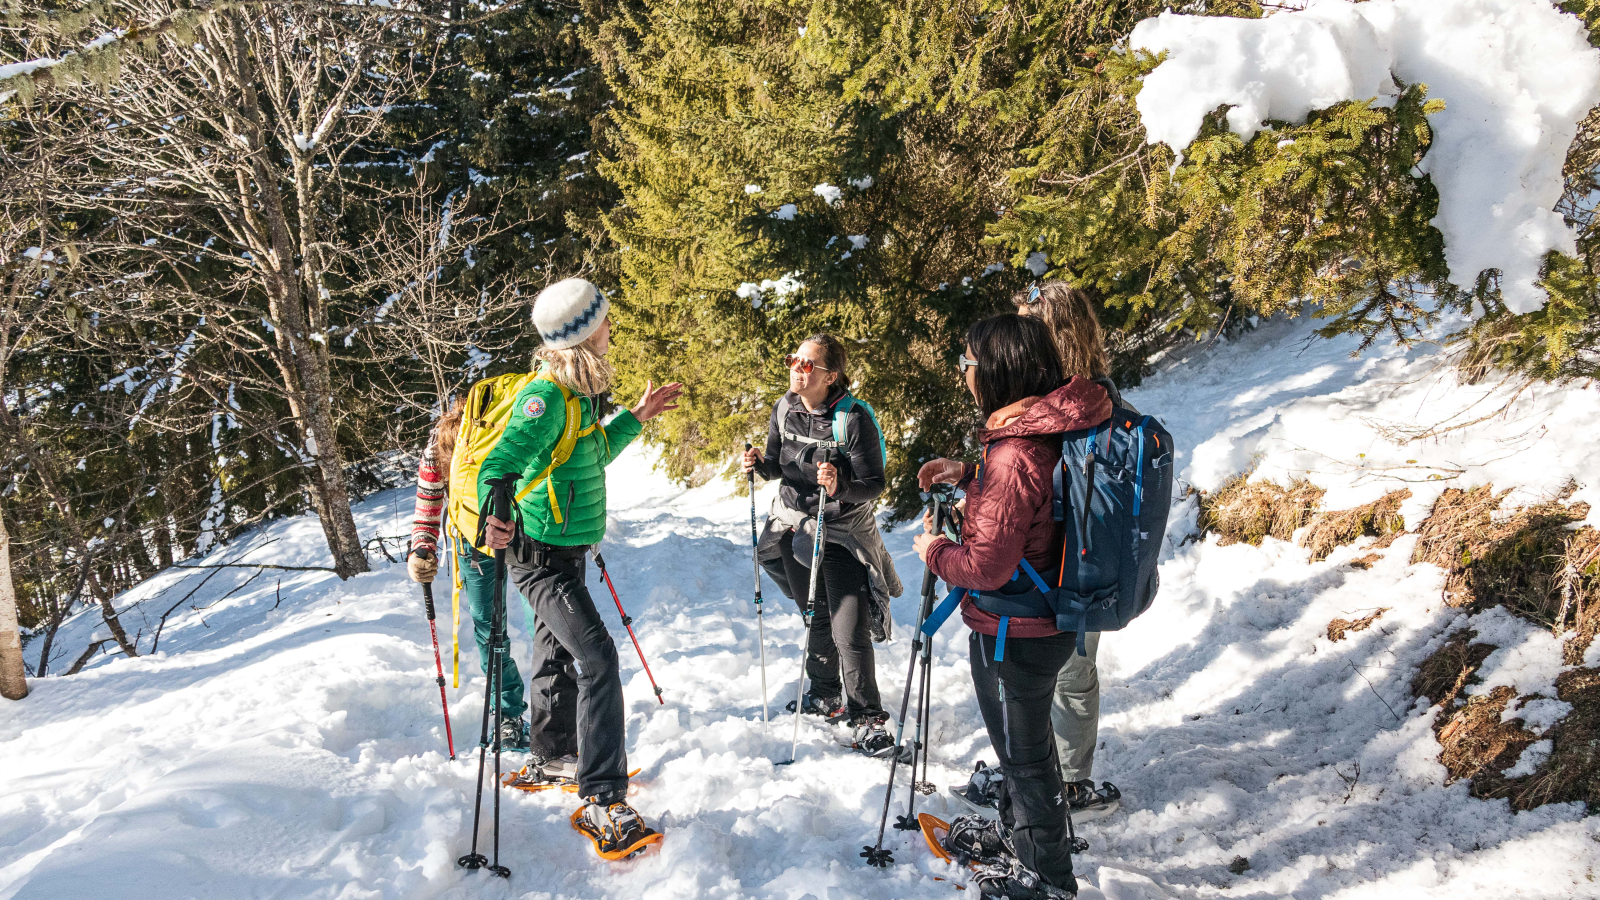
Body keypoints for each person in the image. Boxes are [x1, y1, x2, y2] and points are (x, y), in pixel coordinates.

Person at [913, 313, 1115, 900]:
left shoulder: (1014, 451)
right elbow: (1035, 504)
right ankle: (1023, 842)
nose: (964, 374)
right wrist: (972, 472)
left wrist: (934, 550)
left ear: (996, 370)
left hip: (1015, 628)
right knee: (1026, 751)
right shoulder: (1049, 426)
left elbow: (984, 566)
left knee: (1024, 759)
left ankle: (1048, 879)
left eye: (968, 363)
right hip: (1046, 615)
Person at [478, 276, 682, 855]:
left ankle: (551, 755)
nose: (611, 329)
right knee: (596, 657)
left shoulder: (580, 392)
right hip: (539, 554)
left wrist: (636, 416)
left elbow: (589, 457)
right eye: (604, 322)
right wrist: (496, 500)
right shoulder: (546, 397)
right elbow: (504, 457)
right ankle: (602, 796)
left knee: (555, 650)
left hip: (564, 550)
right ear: (584, 333)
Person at [950, 282, 1122, 819]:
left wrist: (942, 547)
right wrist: (975, 480)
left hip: (1067, 577)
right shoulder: (1067, 408)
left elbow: (1040, 495)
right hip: (1066, 569)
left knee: (1069, 674)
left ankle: (1062, 786)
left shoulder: (1075, 408)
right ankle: (1043, 781)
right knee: (1060, 678)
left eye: (1029, 327)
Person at [741, 334, 903, 757]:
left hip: (840, 531)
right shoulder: (784, 408)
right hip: (795, 525)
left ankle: (868, 719)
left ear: (831, 376)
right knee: (813, 613)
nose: (797, 368)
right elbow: (778, 466)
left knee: (848, 628)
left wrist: (842, 484)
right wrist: (759, 465)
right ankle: (826, 692)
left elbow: (874, 485)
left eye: (808, 364)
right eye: (794, 359)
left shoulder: (853, 418)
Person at [406, 397, 534, 752]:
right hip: (471, 538)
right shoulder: (439, 446)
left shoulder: (510, 432)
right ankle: (507, 714)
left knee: (543, 621)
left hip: (523, 531)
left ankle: (553, 708)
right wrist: (423, 547)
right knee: (488, 629)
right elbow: (428, 502)